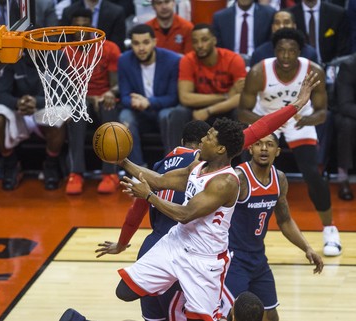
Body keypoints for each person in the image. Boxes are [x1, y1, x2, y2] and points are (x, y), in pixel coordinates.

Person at [96, 71, 321, 320]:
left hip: (204, 261)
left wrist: (149, 196)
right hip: (175, 244)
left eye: (209, 137)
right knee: (124, 291)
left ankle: (190, 296)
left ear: (221, 148)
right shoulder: (197, 164)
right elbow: (159, 181)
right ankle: (172, 285)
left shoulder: (225, 182)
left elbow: (185, 213)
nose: (203, 139)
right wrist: (123, 161)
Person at [238, 28, 342, 256]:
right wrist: (267, 123)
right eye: (281, 51)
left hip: (298, 122)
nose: (286, 56)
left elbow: (323, 113)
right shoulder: (259, 72)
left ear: (300, 52)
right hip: (264, 119)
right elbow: (243, 111)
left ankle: (330, 229)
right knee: (244, 174)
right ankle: (237, 230)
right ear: (274, 51)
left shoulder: (313, 72)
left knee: (312, 174)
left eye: (291, 51)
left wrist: (306, 119)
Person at [97, 120, 211, 321]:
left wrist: (122, 244)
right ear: (204, 144)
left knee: (153, 318)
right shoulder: (202, 162)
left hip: (149, 251)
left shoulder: (157, 166)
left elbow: (136, 212)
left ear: (182, 141)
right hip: (179, 252)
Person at [219, 133, 324, 321]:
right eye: (258, 144)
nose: (264, 148)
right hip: (233, 259)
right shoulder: (238, 178)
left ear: (278, 151)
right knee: (230, 315)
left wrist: (307, 248)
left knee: (271, 314)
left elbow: (284, 221)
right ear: (250, 148)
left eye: (269, 144)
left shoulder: (280, 179)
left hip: (258, 258)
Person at [0, 51, 66, 191]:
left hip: (43, 108)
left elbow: (61, 94)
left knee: (60, 115)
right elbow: (1, 94)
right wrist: (18, 103)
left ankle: (51, 165)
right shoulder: (11, 56)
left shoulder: (57, 56)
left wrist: (37, 102)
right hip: (18, 110)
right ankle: (12, 164)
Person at [64, 8, 121, 195]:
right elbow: (64, 89)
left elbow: (116, 84)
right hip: (80, 99)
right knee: (77, 109)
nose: (81, 30)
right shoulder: (64, 51)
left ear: (92, 27)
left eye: (85, 26)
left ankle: (110, 173)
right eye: (77, 26)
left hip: (104, 99)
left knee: (109, 105)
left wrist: (109, 93)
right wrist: (89, 98)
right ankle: (76, 173)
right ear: (71, 29)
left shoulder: (109, 48)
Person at [118, 24, 189, 165]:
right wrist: (134, 102)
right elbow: (124, 95)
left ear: (154, 42)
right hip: (139, 112)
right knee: (125, 117)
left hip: (163, 110)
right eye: (136, 43)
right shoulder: (124, 60)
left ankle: (171, 166)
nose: (141, 48)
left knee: (167, 115)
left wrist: (149, 102)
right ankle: (137, 170)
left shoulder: (172, 60)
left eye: (145, 42)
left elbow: (173, 97)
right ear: (131, 44)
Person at [178, 24, 246, 124]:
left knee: (240, 112)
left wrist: (209, 110)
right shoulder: (187, 60)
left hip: (226, 108)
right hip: (200, 107)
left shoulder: (233, 59)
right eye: (195, 42)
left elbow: (240, 97)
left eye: (204, 40)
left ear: (214, 40)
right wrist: (226, 96)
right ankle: (179, 141)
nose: (199, 45)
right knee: (178, 113)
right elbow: (185, 98)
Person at [288, 0, 350, 64]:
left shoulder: (338, 13)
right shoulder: (289, 15)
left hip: (331, 66)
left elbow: (343, 48)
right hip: (300, 66)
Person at [250, 10, 318, 67]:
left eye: (286, 22)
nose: (281, 26)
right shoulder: (260, 53)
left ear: (294, 26)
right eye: (277, 23)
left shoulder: (309, 53)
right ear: (272, 27)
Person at [60, 0, 126, 51]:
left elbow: (118, 44)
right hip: (74, 58)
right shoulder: (68, 11)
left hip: (105, 58)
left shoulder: (116, 12)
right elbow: (64, 40)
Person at [334, 53, 356, 200]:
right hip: (349, 113)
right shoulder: (349, 66)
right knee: (347, 124)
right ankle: (343, 178)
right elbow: (345, 105)